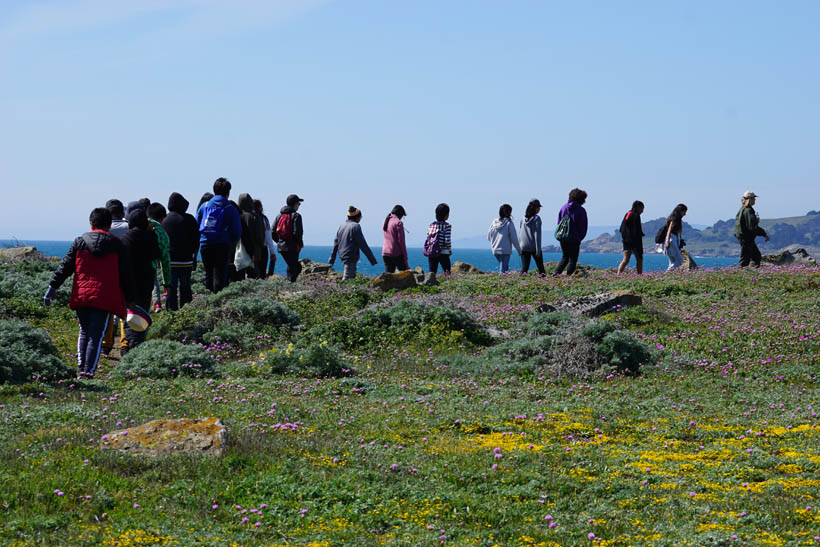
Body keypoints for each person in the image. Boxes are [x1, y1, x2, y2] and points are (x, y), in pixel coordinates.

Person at [44, 208, 134, 378]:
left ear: (91, 223)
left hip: (82, 294)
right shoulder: (117, 245)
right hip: (104, 297)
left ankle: (81, 367)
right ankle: (88, 372)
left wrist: (52, 287)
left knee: (84, 331)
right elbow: (126, 275)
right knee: (96, 334)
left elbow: (65, 268)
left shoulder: (80, 242)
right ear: (109, 225)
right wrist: (130, 299)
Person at [120, 207, 160, 352]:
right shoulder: (150, 237)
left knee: (129, 316)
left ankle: (129, 347)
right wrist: (152, 232)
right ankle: (139, 344)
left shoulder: (125, 239)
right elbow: (156, 255)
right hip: (146, 281)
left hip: (129, 281)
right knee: (142, 313)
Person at [195, 178, 242, 293]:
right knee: (220, 275)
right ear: (228, 192)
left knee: (208, 274)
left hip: (205, 244)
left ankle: (207, 300)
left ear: (214, 190)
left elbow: (196, 225)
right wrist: (231, 241)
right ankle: (217, 300)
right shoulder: (230, 208)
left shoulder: (204, 206)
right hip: (222, 244)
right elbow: (237, 231)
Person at [162, 192, 200, 310]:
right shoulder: (189, 219)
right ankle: (186, 312)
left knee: (171, 288)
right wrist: (192, 253)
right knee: (185, 287)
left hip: (170, 260)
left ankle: (171, 313)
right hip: (186, 260)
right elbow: (196, 239)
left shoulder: (165, 220)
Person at [329, 206, 378, 280]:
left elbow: (336, 242)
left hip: (342, 255)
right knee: (347, 278)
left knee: (351, 276)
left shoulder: (342, 226)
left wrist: (332, 258)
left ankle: (345, 289)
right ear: (357, 217)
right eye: (360, 217)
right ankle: (342, 290)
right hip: (350, 256)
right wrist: (372, 259)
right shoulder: (355, 226)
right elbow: (362, 244)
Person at [554, 188, 589, 276]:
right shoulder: (581, 210)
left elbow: (559, 222)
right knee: (573, 259)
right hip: (575, 238)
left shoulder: (563, 207)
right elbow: (583, 226)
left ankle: (556, 274)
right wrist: (580, 237)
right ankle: (569, 276)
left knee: (565, 257)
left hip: (563, 236)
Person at [272, 194, 305, 282]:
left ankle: (289, 283)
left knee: (291, 266)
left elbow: (273, 231)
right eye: (298, 203)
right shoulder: (296, 216)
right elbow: (297, 232)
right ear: (294, 204)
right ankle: (290, 285)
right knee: (296, 267)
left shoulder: (279, 216)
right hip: (292, 246)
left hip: (282, 247)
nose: (299, 205)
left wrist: (279, 242)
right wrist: (300, 243)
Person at [734, 191, 770, 267]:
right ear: (750, 199)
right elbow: (752, 227)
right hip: (746, 238)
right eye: (754, 198)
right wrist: (764, 234)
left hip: (744, 237)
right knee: (746, 259)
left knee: (756, 256)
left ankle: (750, 274)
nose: (755, 200)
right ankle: (740, 274)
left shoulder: (743, 209)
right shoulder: (748, 210)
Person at [236, 193, 267, 280]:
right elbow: (260, 235)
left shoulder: (237, 215)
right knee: (254, 276)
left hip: (239, 250)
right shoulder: (254, 217)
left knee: (239, 276)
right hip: (255, 251)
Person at [147, 203, 171, 311]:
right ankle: (156, 305)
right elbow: (165, 261)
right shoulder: (162, 234)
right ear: (162, 218)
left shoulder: (137, 227)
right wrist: (166, 283)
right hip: (149, 267)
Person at [488, 203, 521, 273]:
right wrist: (519, 250)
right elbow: (514, 238)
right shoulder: (509, 223)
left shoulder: (494, 223)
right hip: (505, 250)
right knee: (503, 269)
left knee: (503, 267)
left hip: (495, 249)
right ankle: (502, 283)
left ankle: (502, 281)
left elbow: (489, 236)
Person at [617, 200, 645, 275]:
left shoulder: (627, 214)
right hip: (635, 242)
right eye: (642, 208)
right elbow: (637, 230)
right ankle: (639, 276)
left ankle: (618, 274)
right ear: (637, 207)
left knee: (625, 260)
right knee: (639, 260)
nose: (642, 211)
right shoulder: (636, 215)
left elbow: (621, 229)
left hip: (626, 242)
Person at [519, 199, 545, 275]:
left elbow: (520, 233)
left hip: (523, 246)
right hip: (534, 246)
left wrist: (519, 246)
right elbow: (537, 235)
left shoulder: (523, 219)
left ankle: (520, 283)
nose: (539, 209)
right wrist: (538, 250)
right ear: (536, 208)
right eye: (539, 207)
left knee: (524, 269)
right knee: (541, 268)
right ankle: (544, 282)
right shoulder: (537, 219)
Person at [426, 203, 452, 275]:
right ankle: (448, 285)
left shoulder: (431, 225)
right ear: (446, 215)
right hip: (443, 252)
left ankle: (430, 285)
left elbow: (428, 238)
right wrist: (449, 250)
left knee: (432, 273)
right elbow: (447, 240)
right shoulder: (447, 226)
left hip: (432, 252)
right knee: (448, 273)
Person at [382, 205, 408, 272]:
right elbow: (401, 242)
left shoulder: (385, 221)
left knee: (389, 277)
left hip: (385, 252)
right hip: (396, 253)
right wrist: (405, 257)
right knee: (404, 276)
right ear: (400, 214)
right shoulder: (398, 223)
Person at [255, 199, 277, 277]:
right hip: (262, 248)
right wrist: (272, 252)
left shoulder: (247, 217)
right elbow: (268, 237)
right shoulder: (264, 219)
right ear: (260, 207)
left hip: (250, 248)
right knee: (261, 272)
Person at [663, 203, 688, 271]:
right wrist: (667, 241)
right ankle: (667, 273)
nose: (685, 214)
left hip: (673, 239)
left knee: (672, 261)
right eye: (684, 212)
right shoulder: (674, 219)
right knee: (680, 260)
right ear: (680, 211)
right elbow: (669, 230)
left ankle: (668, 275)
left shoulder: (674, 218)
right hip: (672, 240)